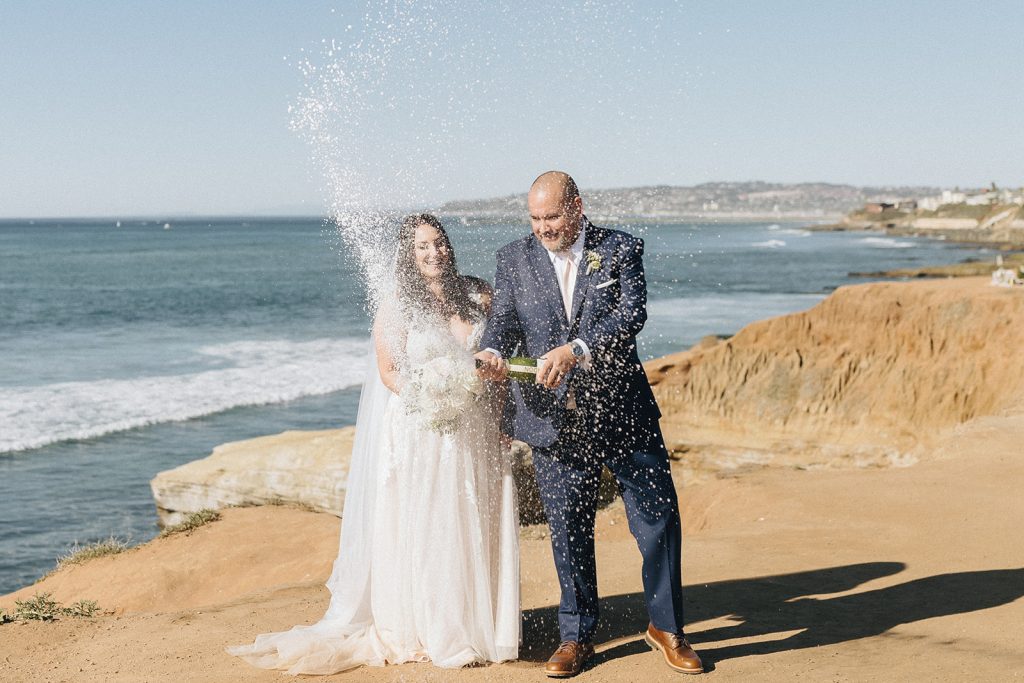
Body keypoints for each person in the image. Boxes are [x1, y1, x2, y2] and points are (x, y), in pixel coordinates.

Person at [226, 213, 520, 675]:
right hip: (424, 428)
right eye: (422, 247)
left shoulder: (479, 293)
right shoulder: (397, 304)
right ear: (410, 254)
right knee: (429, 524)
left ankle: (470, 622)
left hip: (476, 427)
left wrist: (501, 414)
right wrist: (436, 392)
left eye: (439, 243)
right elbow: (390, 373)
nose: (434, 253)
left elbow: (499, 353)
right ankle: (428, 629)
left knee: (470, 521)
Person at [475, 171, 703, 677]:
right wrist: (491, 352)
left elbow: (630, 315)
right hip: (552, 420)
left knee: (658, 518)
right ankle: (576, 635)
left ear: (577, 206)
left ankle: (667, 627)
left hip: (623, 410)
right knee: (568, 529)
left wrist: (577, 351)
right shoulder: (513, 258)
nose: (542, 228)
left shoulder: (620, 248)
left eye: (551, 216)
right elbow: (503, 325)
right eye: (534, 219)